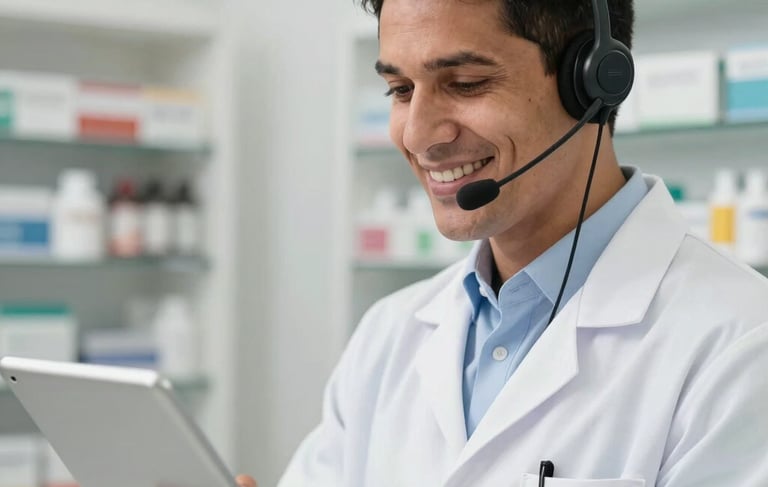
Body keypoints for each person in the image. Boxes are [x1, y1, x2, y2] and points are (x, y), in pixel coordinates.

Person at [239, 0, 768, 485]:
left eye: (465, 82)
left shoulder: (740, 345)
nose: (418, 134)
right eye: (400, 90)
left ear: (591, 82)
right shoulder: (389, 334)